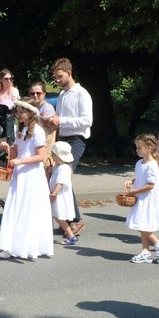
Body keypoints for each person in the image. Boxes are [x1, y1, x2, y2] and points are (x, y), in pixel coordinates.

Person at [0, 98, 54, 260]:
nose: (19, 115)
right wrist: (9, 148)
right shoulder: (18, 130)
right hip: (20, 175)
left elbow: (41, 157)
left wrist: (20, 161)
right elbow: (16, 152)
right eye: (18, 112)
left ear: (30, 113)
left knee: (28, 209)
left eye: (22, 112)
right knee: (16, 207)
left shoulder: (38, 132)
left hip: (32, 175)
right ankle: (12, 245)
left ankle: (28, 246)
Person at [46, 58, 93, 236]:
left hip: (76, 140)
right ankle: (66, 219)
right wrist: (53, 122)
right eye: (55, 77)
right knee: (60, 177)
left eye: (59, 76)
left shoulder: (82, 94)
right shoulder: (62, 95)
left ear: (69, 73)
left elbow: (87, 121)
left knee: (63, 177)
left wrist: (62, 121)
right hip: (63, 140)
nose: (57, 80)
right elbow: (58, 119)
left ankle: (76, 220)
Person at [124, 134, 159, 263]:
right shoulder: (140, 162)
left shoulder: (152, 165)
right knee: (142, 223)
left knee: (141, 224)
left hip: (148, 198)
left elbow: (151, 185)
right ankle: (145, 251)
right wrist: (131, 181)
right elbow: (139, 177)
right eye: (137, 147)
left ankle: (158, 243)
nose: (137, 150)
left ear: (149, 148)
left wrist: (134, 191)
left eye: (139, 147)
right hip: (141, 196)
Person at [49, 141, 77, 246]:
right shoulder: (58, 166)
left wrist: (53, 194)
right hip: (56, 195)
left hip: (59, 196)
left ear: (58, 155)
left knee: (58, 217)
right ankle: (48, 235)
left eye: (53, 154)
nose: (52, 156)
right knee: (52, 216)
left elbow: (60, 183)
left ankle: (71, 236)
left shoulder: (64, 168)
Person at [29, 81, 57, 169]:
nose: (35, 95)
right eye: (32, 93)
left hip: (45, 147)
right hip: (35, 146)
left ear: (44, 94)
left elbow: (46, 128)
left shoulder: (47, 108)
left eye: (38, 93)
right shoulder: (32, 108)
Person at [0, 68, 20, 144]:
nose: (9, 81)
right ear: (0, 80)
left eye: (10, 79)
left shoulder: (14, 91)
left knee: (10, 141)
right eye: (6, 79)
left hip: (10, 119)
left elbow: (16, 103)